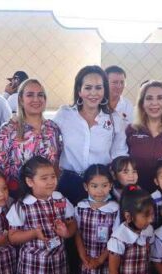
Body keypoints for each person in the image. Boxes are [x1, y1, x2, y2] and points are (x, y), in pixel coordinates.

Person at [7, 156, 77, 274]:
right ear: (30, 182)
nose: (50, 181)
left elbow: (72, 222)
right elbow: (12, 237)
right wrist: (33, 233)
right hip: (33, 262)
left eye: (53, 176)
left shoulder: (61, 199)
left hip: (58, 258)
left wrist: (67, 231)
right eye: (44, 178)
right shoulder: (21, 206)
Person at [54, 66, 128, 203]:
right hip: (69, 184)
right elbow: (46, 136)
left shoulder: (115, 119)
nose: (93, 93)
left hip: (101, 186)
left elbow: (120, 153)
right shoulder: (64, 114)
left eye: (99, 88)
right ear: (79, 90)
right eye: (88, 88)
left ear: (104, 90)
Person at [73, 164, 118, 274]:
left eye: (104, 185)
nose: (100, 190)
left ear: (111, 185)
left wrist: (100, 259)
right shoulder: (81, 207)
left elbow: (115, 237)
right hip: (87, 258)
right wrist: (84, 257)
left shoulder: (115, 209)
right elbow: (77, 233)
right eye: (94, 186)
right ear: (86, 187)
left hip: (107, 260)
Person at [0, 78, 64, 194]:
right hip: (18, 195)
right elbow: (2, 166)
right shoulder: (9, 129)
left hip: (48, 195)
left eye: (40, 95)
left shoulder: (52, 128)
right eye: (30, 95)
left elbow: (57, 163)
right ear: (21, 100)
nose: (36, 99)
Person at [126, 81, 162, 190]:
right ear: (142, 103)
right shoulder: (131, 130)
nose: (154, 103)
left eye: (160, 98)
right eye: (149, 98)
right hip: (136, 196)